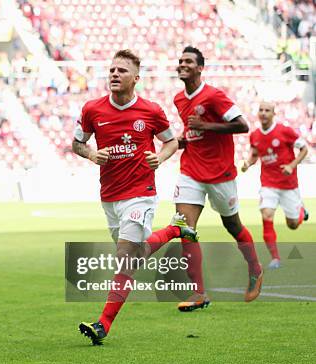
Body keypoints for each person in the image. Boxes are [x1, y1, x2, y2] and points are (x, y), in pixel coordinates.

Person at [72, 49, 197, 345]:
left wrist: (160, 158)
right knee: (136, 255)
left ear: (136, 79)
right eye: (112, 70)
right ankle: (174, 229)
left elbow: (171, 142)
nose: (115, 74)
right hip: (110, 196)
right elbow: (77, 144)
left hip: (140, 194)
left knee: (125, 259)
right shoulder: (92, 109)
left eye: (122, 71)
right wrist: (92, 154)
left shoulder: (151, 111)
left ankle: (103, 323)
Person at [173, 46, 262, 310]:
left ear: (200, 67)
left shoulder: (213, 95)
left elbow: (242, 125)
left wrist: (206, 126)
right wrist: (183, 139)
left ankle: (255, 268)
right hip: (190, 171)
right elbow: (192, 131)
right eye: (180, 61)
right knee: (185, 230)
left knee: (233, 226)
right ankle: (199, 293)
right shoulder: (179, 99)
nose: (183, 64)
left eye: (188, 61)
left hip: (220, 173)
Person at [242, 102, 309, 269]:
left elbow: (304, 149)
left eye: (267, 110)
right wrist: (248, 163)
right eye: (261, 110)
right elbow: (255, 154)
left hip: (289, 184)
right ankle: (275, 259)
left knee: (292, 225)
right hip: (268, 183)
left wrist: (291, 166)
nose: (263, 113)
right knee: (266, 215)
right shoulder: (255, 135)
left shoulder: (285, 131)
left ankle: (301, 211)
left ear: (273, 114)